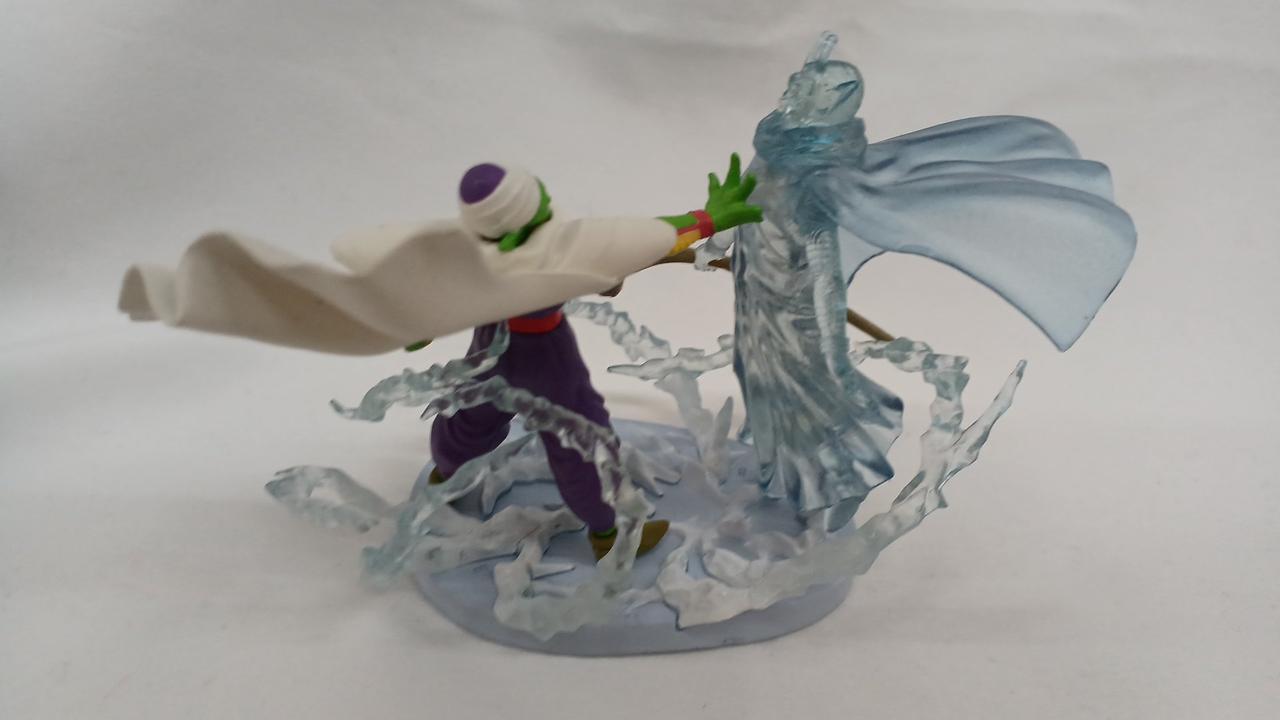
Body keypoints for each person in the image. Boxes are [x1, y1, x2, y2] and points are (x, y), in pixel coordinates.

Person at [428, 156, 761, 560]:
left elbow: (639, 240)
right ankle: (610, 533)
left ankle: (446, 471)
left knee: (475, 407)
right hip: (543, 353)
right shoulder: (553, 248)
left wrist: (413, 322)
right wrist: (706, 220)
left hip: (494, 342)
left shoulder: (481, 251)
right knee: (582, 438)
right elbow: (642, 240)